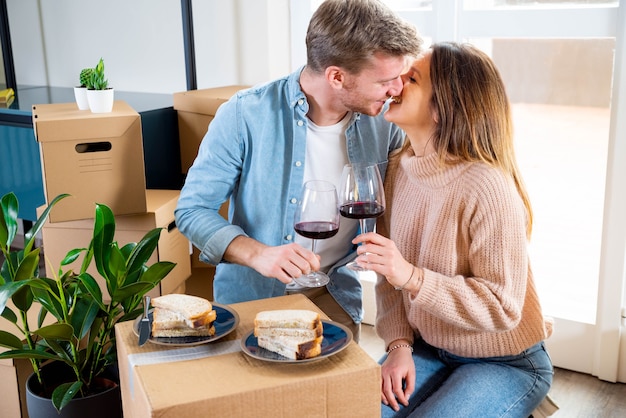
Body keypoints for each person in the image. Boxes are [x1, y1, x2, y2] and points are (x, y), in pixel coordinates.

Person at [175, 0, 422, 342]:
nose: (397, 90)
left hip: (333, 294)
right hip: (254, 297)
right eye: (386, 80)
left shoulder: (386, 123)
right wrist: (258, 254)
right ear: (336, 76)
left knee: (334, 392)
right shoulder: (245, 114)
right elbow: (192, 210)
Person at [352, 42, 554, 416]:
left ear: (443, 108)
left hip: (504, 361)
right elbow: (387, 275)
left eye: (411, 78)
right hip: (429, 347)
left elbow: (502, 307)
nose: (395, 84)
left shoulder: (485, 185)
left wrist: (412, 277)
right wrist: (398, 346)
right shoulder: (399, 169)